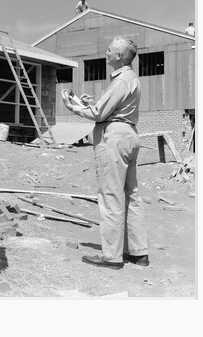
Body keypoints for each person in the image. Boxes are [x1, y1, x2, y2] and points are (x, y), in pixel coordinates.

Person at [61, 36, 149, 269]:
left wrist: (75, 108)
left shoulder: (121, 81)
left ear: (119, 56)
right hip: (129, 134)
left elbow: (100, 113)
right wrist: (92, 103)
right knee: (131, 195)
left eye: (110, 50)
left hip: (115, 138)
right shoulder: (130, 79)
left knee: (111, 196)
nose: (106, 52)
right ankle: (139, 252)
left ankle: (112, 256)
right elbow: (109, 107)